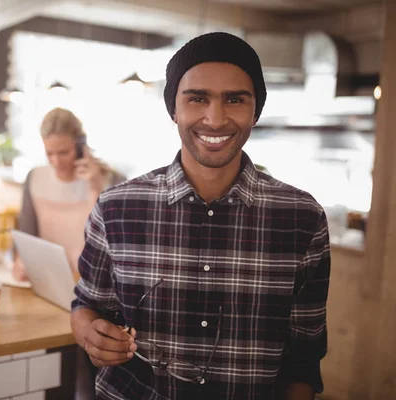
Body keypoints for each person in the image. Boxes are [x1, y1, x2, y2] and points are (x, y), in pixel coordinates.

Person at [71, 32, 331, 400]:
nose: (215, 118)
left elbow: (304, 355)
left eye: (235, 99)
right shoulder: (116, 208)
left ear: (255, 111)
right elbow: (86, 306)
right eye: (197, 98)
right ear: (173, 108)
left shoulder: (302, 219)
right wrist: (89, 333)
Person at [14, 107, 125, 282]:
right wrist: (21, 260)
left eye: (63, 152)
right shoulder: (35, 178)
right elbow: (27, 235)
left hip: (94, 282)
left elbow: (117, 244)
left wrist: (95, 189)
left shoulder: (112, 179)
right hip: (48, 280)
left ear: (81, 145)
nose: (56, 162)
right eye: (49, 153)